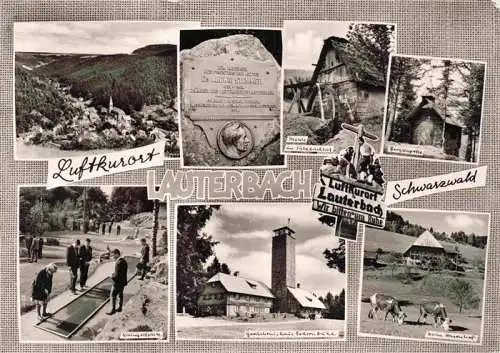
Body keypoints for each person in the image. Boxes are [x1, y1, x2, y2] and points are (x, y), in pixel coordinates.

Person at [107, 249, 128, 315]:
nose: (112, 256)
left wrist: (112, 276)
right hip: (123, 282)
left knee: (112, 295)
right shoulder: (124, 261)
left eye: (113, 255)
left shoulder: (118, 263)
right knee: (120, 295)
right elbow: (122, 273)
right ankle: (120, 307)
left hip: (117, 283)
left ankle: (112, 310)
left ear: (117, 254)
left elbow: (117, 275)